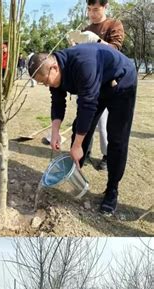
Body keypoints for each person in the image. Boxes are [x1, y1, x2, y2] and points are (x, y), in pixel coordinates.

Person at [28, 43, 137, 215]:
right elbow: (57, 101)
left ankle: (112, 191)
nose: (46, 85)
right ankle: (76, 174)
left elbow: (88, 104)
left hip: (121, 81)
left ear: (54, 68)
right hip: (97, 84)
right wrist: (55, 132)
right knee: (80, 131)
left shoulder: (83, 64)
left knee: (117, 138)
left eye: (45, 81)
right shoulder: (55, 70)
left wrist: (77, 145)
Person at [68, 0, 125, 171]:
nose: (92, 14)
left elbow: (115, 51)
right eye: (89, 9)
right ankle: (84, 152)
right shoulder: (86, 30)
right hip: (87, 83)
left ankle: (107, 156)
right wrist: (74, 47)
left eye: (96, 9)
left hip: (106, 83)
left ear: (105, 7)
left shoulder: (114, 25)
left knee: (103, 123)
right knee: (84, 119)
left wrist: (97, 41)